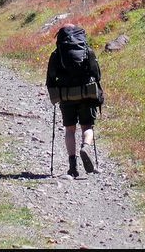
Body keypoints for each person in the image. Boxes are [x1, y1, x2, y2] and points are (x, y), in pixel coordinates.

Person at [46, 23, 103, 178]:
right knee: (87, 127)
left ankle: (72, 166)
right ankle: (85, 147)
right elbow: (97, 75)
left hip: (66, 96)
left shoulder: (57, 54)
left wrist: (55, 95)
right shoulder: (87, 50)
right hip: (86, 94)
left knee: (70, 130)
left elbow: (50, 79)